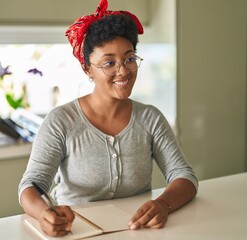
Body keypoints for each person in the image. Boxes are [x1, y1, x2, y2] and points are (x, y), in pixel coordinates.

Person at [18, 0, 198, 237]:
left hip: (139, 231)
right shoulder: (61, 121)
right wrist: (43, 214)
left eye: (129, 58)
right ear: (87, 69)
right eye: (109, 63)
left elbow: (184, 176)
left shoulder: (150, 118)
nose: (123, 70)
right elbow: (31, 185)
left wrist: (163, 204)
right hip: (77, 232)